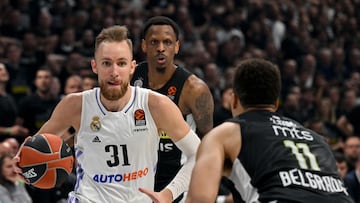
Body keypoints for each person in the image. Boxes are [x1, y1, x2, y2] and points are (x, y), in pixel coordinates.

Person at [16, 25, 200, 203]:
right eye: (106, 63)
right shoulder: (75, 105)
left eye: (121, 63)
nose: (114, 72)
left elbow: (200, 154)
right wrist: (23, 164)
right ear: (94, 66)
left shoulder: (156, 105)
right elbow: (35, 151)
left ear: (132, 67)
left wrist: (169, 193)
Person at [186, 58, 353, 203]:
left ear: (234, 100)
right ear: (276, 103)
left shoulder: (226, 132)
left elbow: (199, 199)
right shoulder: (316, 138)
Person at [131, 16, 213, 202]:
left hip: (175, 185)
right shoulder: (129, 77)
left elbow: (208, 143)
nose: (161, 48)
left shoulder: (194, 89)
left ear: (176, 46)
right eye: (154, 42)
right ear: (144, 46)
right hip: (133, 177)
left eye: (167, 42)